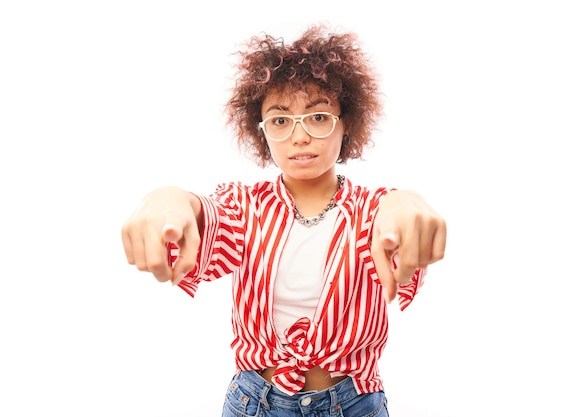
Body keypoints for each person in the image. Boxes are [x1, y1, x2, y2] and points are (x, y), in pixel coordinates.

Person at [121, 23, 446, 417]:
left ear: (346, 124)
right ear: (262, 133)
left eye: (318, 117)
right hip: (254, 402)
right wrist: (169, 198)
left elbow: (394, 226)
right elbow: (208, 215)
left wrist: (405, 201)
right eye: (280, 120)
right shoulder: (246, 207)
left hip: (351, 404)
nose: (300, 136)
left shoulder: (369, 211)